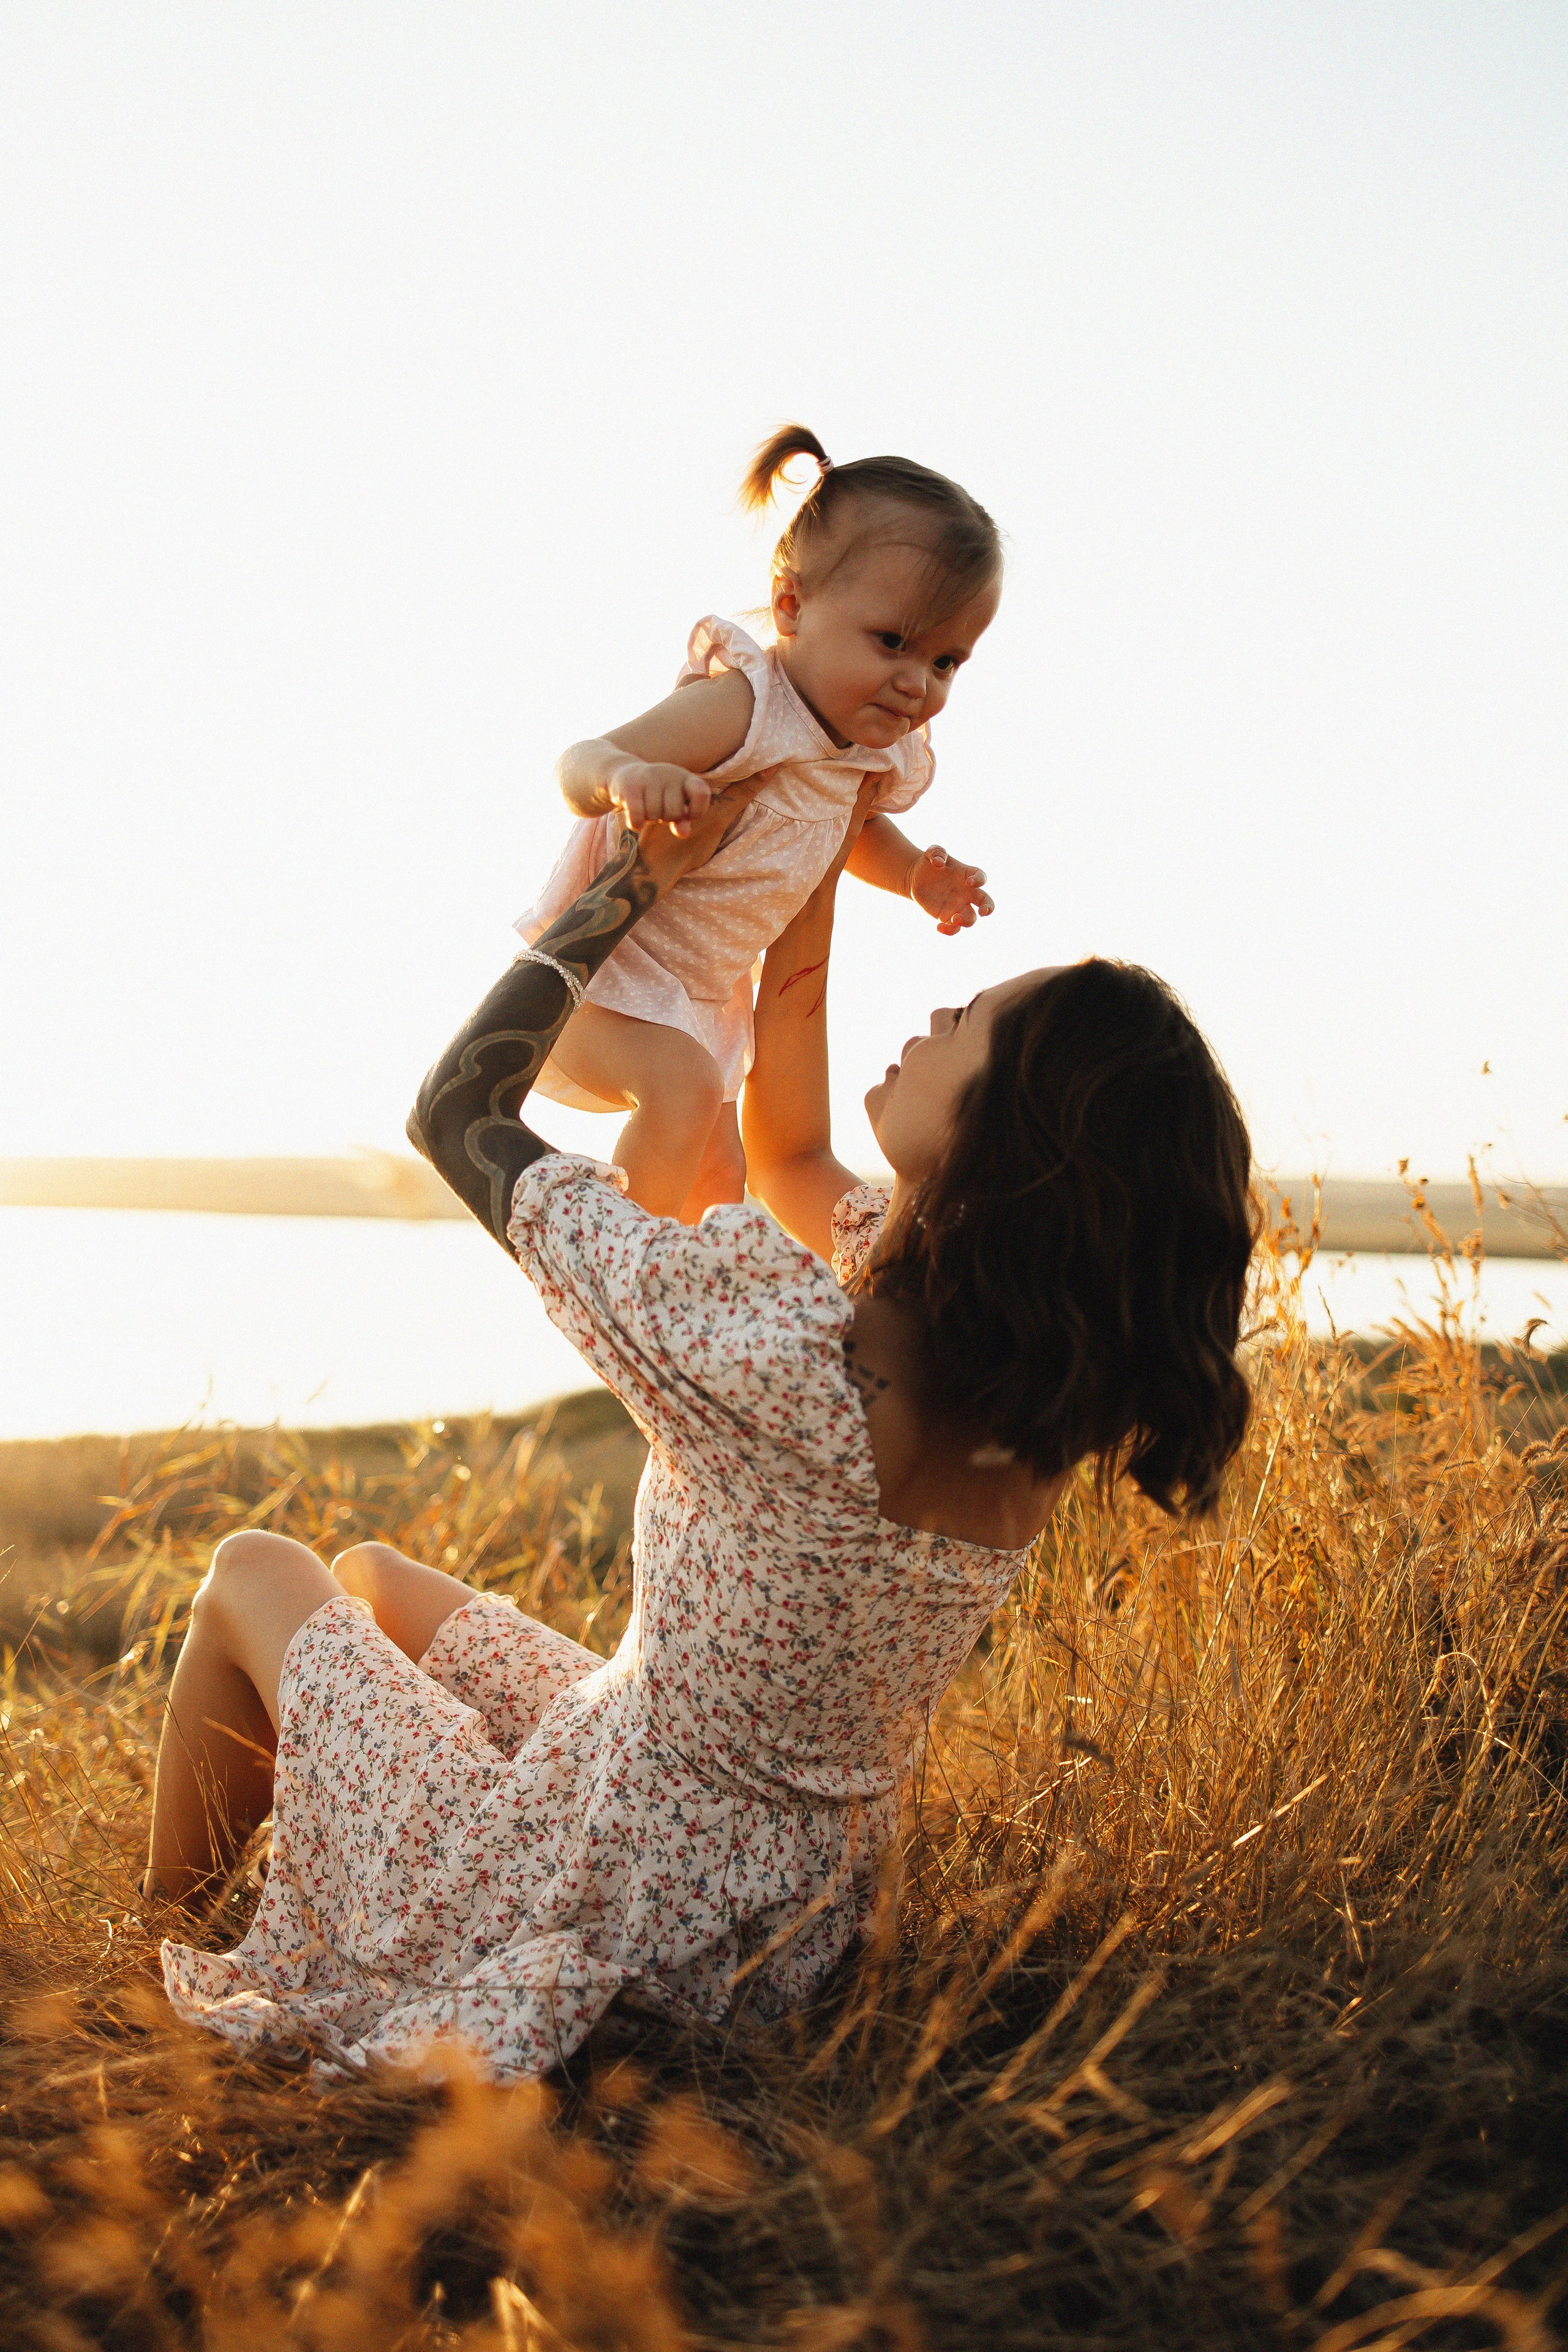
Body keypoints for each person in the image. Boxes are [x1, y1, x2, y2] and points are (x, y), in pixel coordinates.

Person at [147, 783, 1256, 2084]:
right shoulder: (1028, 1392)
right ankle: (349, 1842)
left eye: (969, 1025)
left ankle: (156, 1951)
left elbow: (454, 1112)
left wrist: (623, 884)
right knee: (379, 1585)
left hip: (596, 1883)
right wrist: (810, 845)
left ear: (1008, 1136)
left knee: (254, 1570)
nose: (936, 1014)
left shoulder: (786, 1362)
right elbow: (786, 1151)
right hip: (766, 1928)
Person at [513, 424, 1001, 1218]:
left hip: (699, 1000)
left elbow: (845, 835)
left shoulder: (872, 755)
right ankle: (618, 1260)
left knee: (718, 1181)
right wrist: (631, 777)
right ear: (791, 605)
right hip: (602, 978)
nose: (919, 684)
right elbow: (580, 763)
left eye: (946, 662)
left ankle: (682, 1321)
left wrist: (913, 873)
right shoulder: (744, 707)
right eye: (893, 643)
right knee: (681, 1089)